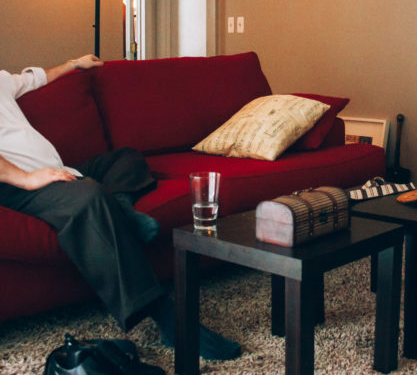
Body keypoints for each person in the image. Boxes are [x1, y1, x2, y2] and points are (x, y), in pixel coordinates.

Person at [0, 56, 241, 360]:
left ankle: (120, 209)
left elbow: (35, 77)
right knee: (87, 197)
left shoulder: (1, 82)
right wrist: (26, 178)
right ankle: (169, 318)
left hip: (59, 170)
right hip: (17, 185)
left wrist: (75, 63)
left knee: (125, 158)